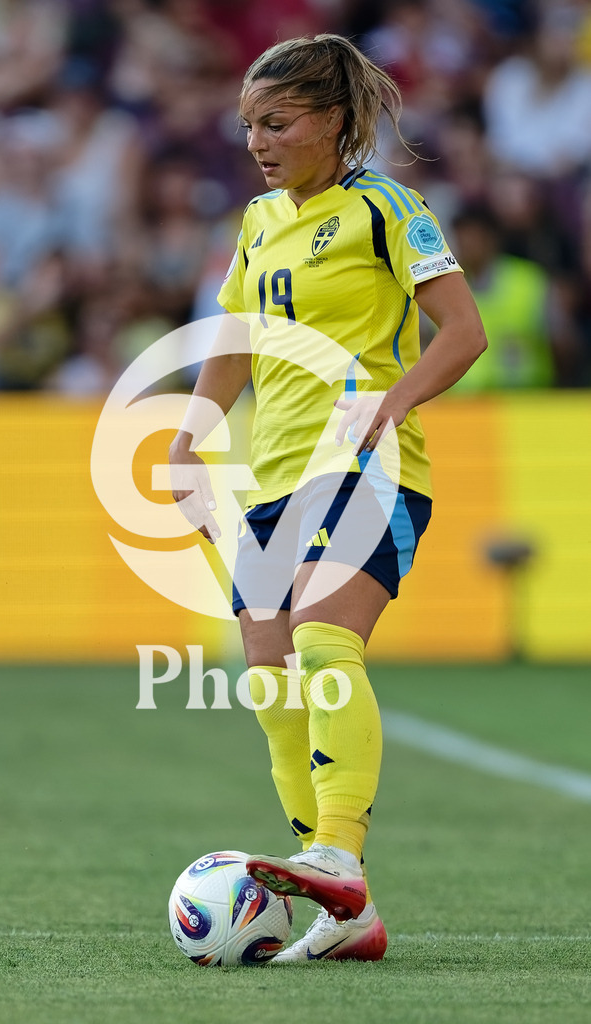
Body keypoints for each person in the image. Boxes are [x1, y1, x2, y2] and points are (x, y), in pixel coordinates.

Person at [169, 34, 486, 962]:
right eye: (248, 127)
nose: (258, 141)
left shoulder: (388, 207)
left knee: (322, 642)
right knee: (271, 688)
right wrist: (191, 436)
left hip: (365, 468)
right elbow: (235, 339)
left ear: (335, 122)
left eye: (276, 122)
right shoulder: (259, 220)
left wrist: (392, 402)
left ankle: (335, 855)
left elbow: (460, 333)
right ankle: (351, 917)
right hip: (271, 482)